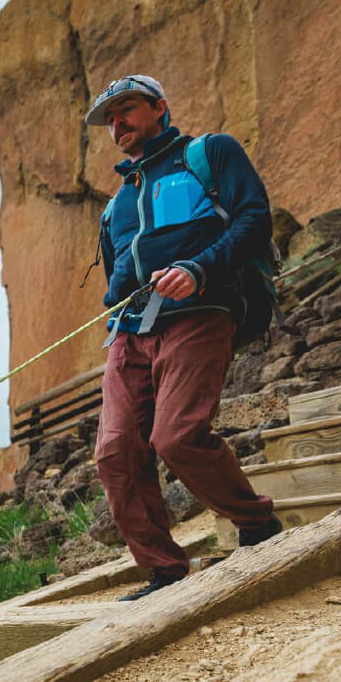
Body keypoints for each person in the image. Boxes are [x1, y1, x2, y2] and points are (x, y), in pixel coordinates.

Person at [85, 75, 281, 601]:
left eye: (126, 109)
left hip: (200, 310)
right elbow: (116, 276)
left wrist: (198, 266)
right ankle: (164, 570)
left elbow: (254, 219)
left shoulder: (209, 153)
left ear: (159, 108)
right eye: (109, 119)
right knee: (115, 451)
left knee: (175, 436)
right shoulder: (116, 205)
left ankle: (256, 523)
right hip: (132, 331)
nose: (117, 124)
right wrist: (114, 302)